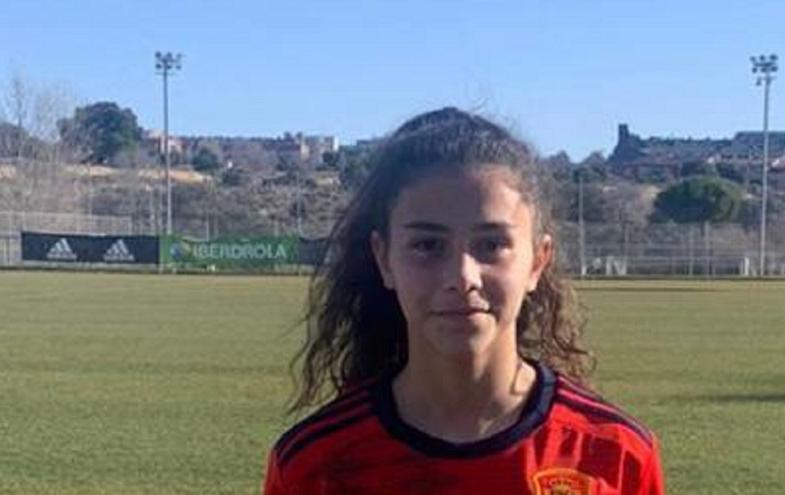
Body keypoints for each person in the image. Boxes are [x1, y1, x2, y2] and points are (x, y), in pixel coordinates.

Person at [263, 107, 664, 494]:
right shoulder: (315, 467)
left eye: (491, 244)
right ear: (384, 260)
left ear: (537, 262)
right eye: (427, 245)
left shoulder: (614, 454)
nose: (461, 277)